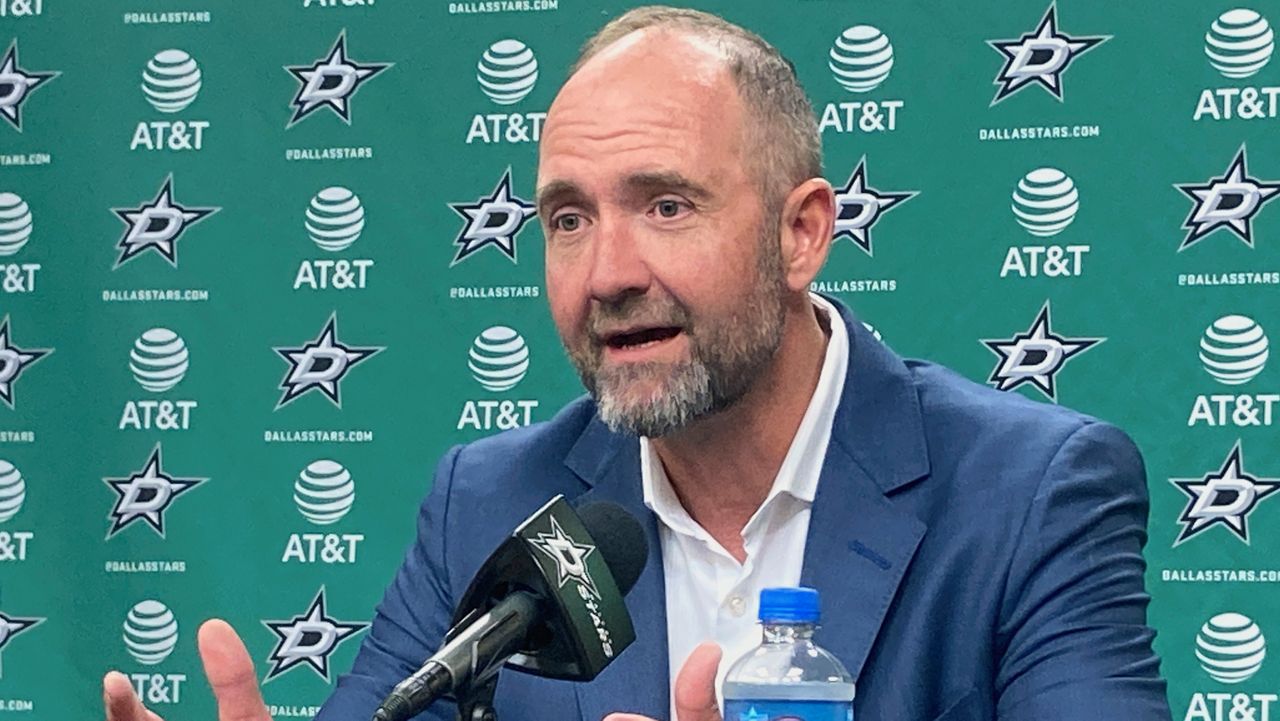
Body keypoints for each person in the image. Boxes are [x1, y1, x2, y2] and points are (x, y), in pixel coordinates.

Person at [102, 6, 1171, 721]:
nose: (607, 270)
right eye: (567, 219)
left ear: (800, 233)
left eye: (665, 205)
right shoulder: (488, 500)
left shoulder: (1031, 491)